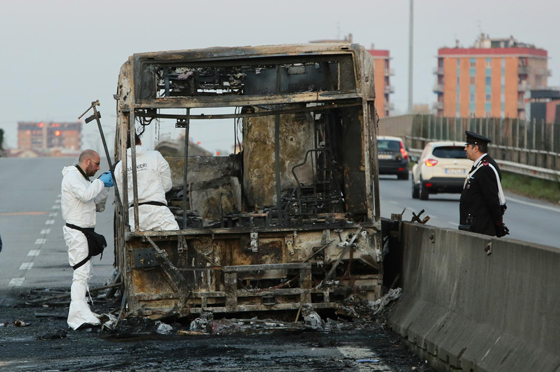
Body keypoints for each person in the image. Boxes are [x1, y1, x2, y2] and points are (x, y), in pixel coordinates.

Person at [61, 149, 114, 330]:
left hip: (85, 231)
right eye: (97, 164)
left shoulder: (83, 180)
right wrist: (100, 182)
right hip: (76, 232)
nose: (98, 168)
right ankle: (76, 315)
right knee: (81, 272)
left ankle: (82, 310)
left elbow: (96, 204)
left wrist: (105, 188)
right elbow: (85, 195)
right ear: (87, 161)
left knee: (85, 272)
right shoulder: (72, 177)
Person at [114, 134, 179, 232]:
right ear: (140, 141)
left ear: (123, 147)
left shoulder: (120, 166)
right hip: (158, 212)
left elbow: (123, 199)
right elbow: (167, 185)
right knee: (176, 238)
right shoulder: (155, 156)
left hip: (135, 218)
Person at [459, 131, 508, 237]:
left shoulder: (486, 169)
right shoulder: (479, 166)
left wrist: (498, 225)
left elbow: (492, 200)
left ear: (475, 148)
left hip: (480, 230)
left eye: (467, 146)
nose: (465, 149)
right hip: (473, 227)